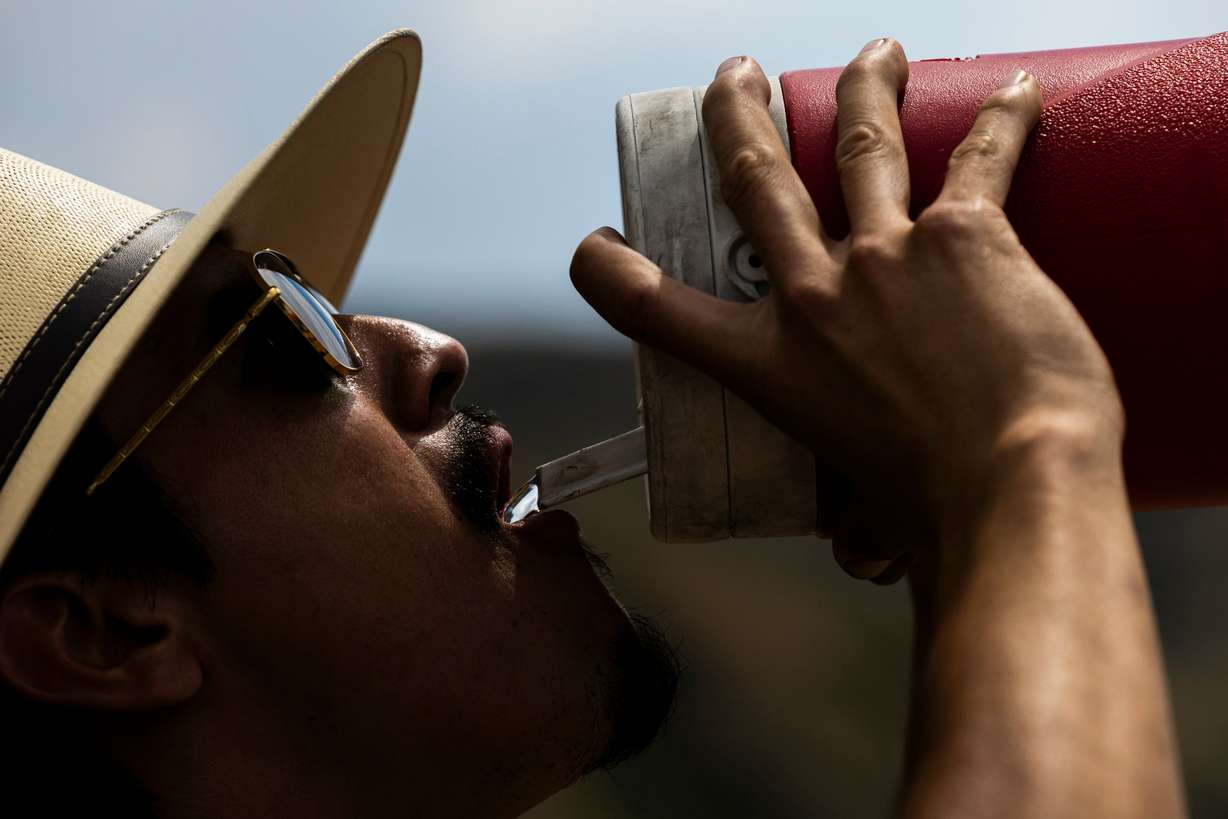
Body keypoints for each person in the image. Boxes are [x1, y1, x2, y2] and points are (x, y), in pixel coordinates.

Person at [0, 28, 1184, 819]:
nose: (424, 347)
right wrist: (1020, 451)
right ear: (103, 633)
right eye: (285, 332)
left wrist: (972, 530)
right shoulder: (1022, 456)